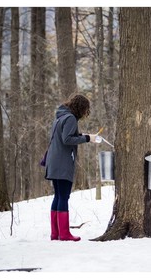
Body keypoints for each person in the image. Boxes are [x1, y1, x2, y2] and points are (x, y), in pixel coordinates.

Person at [44, 94, 98, 241]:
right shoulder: (70, 118)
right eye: (85, 110)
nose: (85, 113)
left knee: (58, 196)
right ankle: (64, 234)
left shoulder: (60, 116)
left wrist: (84, 135)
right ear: (80, 108)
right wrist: (87, 138)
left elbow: (65, 136)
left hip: (54, 161)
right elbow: (67, 139)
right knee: (63, 196)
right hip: (62, 162)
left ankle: (56, 233)